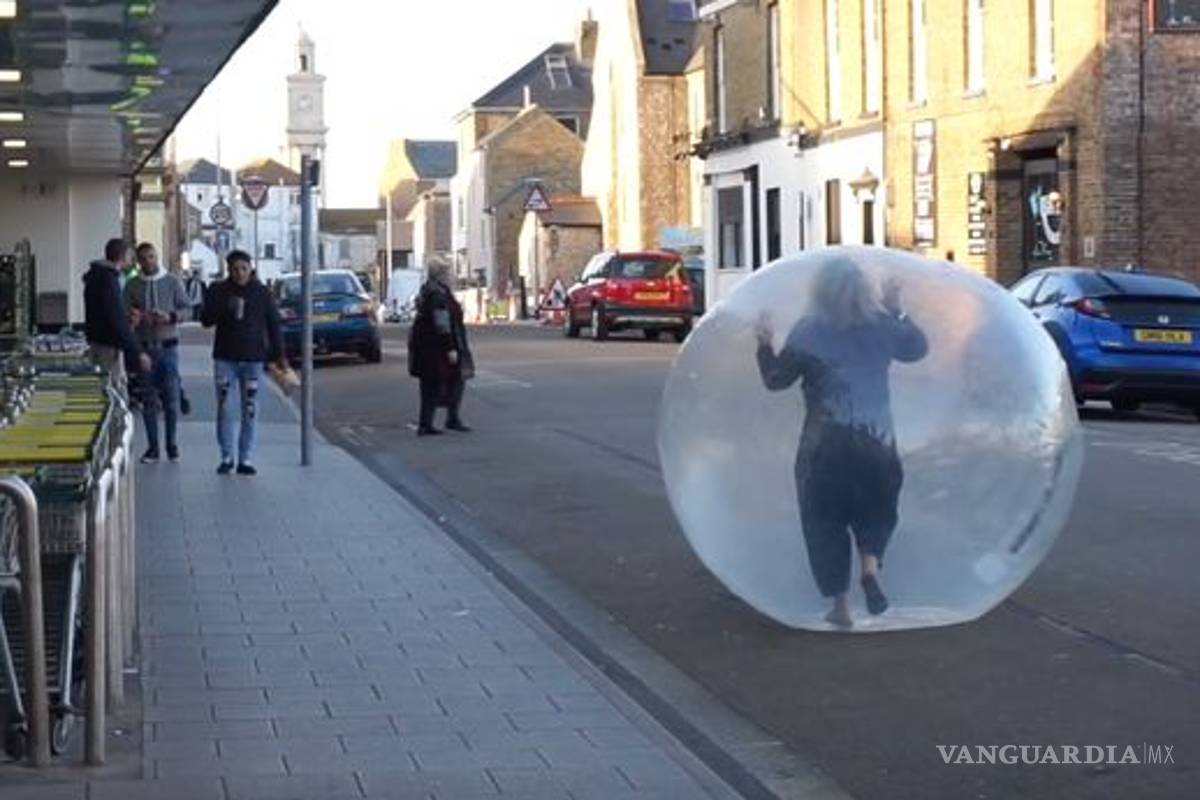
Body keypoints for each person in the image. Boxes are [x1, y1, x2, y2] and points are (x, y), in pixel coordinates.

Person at [755, 257, 928, 629]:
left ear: (818, 292)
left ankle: (841, 606)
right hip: (876, 441)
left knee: (824, 521)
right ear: (863, 290)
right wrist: (895, 308)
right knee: (876, 509)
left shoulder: (808, 330)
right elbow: (917, 349)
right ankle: (870, 568)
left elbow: (776, 380)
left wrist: (764, 344)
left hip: (824, 446)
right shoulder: (880, 324)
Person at [201, 250, 286, 476]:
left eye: (244, 269)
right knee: (225, 407)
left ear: (250, 269)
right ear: (228, 270)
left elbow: (274, 324)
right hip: (225, 358)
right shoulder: (219, 290)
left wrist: (279, 355)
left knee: (250, 409)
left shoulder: (261, 292)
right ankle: (226, 456)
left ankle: (245, 458)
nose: (240, 273)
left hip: (253, 358)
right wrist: (225, 307)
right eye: (235, 269)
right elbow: (205, 320)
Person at [124, 243, 192, 463]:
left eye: (152, 257)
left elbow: (187, 309)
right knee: (148, 400)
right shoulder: (133, 285)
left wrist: (170, 317)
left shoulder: (172, 281)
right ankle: (153, 448)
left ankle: (172, 444)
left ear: (157, 257)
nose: (148, 262)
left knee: (171, 400)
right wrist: (135, 318)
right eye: (144, 258)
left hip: (168, 347)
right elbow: (125, 314)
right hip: (145, 347)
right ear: (138, 261)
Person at [408, 258, 473, 435]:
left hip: (428, 347)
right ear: (441, 275)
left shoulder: (431, 291)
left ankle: (435, 421)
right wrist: (450, 347)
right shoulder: (438, 295)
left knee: (436, 383)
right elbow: (442, 323)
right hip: (437, 349)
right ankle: (439, 421)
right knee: (445, 381)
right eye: (448, 273)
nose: (451, 276)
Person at [83, 238, 151, 395]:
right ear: (123, 256)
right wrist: (137, 352)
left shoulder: (95, 277)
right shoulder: (109, 280)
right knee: (114, 391)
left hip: (96, 341)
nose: (132, 260)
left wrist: (124, 315)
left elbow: (106, 311)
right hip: (108, 346)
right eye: (130, 256)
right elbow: (116, 319)